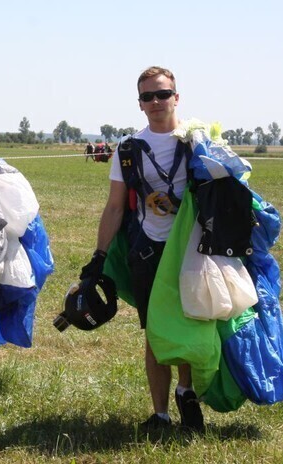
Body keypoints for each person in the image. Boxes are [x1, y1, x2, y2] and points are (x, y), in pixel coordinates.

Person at [79, 66, 204, 433]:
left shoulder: (196, 142)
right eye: (147, 96)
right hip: (146, 250)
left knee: (189, 322)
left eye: (162, 94)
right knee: (154, 330)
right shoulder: (128, 149)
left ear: (176, 97)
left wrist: (179, 203)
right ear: (139, 104)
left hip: (190, 249)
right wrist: (99, 256)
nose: (155, 102)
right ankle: (161, 414)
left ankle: (187, 390)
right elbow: (115, 206)